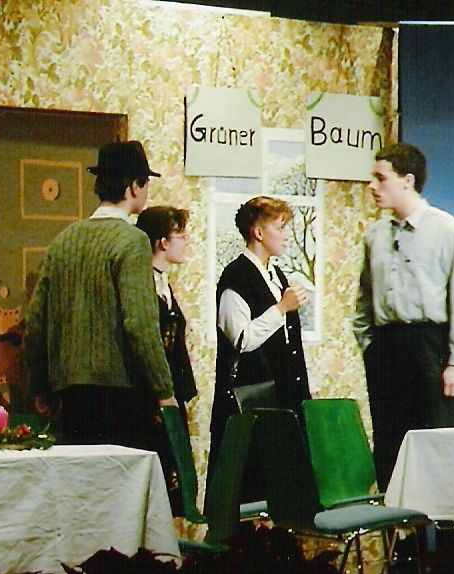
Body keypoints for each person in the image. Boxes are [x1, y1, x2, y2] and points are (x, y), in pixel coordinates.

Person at [24, 140, 176, 446]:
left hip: (69, 393)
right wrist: (164, 390)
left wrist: (39, 386)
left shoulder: (63, 240)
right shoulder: (132, 241)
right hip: (120, 394)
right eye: (145, 184)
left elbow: (35, 322)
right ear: (134, 186)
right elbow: (140, 324)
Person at [353, 143, 454, 491]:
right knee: (390, 444)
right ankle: (397, 522)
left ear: (407, 180)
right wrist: (369, 346)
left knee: (438, 442)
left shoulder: (448, 231)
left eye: (381, 178)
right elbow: (363, 301)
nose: (372, 186)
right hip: (386, 348)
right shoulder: (374, 236)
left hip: (430, 347)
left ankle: (442, 526)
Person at [209, 196, 311, 499]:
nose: (286, 235)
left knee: (283, 485)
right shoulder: (236, 276)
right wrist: (281, 308)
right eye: (280, 228)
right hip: (251, 399)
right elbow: (242, 340)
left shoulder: (276, 275)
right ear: (258, 232)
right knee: (249, 485)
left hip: (281, 398)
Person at [136, 206, 197, 513]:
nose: (186, 242)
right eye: (181, 236)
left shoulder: (162, 283)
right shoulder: (143, 283)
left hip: (169, 393)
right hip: (150, 400)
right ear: (162, 242)